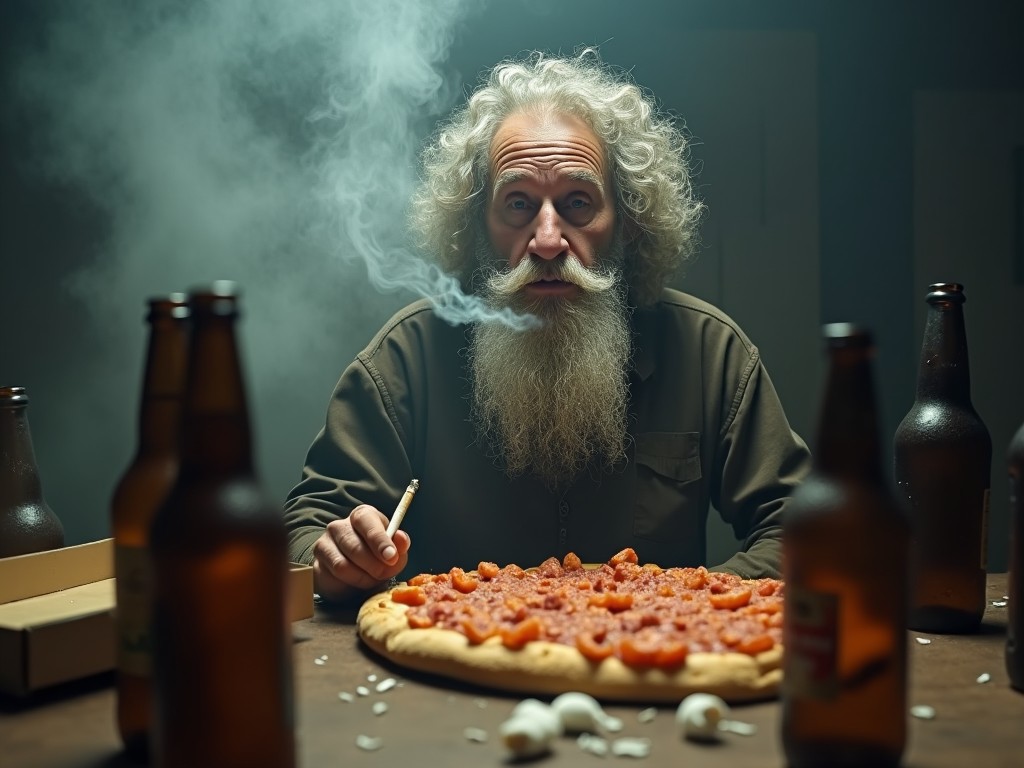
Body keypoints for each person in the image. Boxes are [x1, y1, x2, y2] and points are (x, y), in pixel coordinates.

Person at [283, 49, 811, 604]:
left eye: (578, 203)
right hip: (453, 672)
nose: (548, 240)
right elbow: (308, 528)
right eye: (517, 204)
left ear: (628, 221)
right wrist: (336, 553)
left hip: (646, 669)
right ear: (478, 225)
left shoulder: (709, 352)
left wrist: (677, 607)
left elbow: (803, 530)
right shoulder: (407, 357)